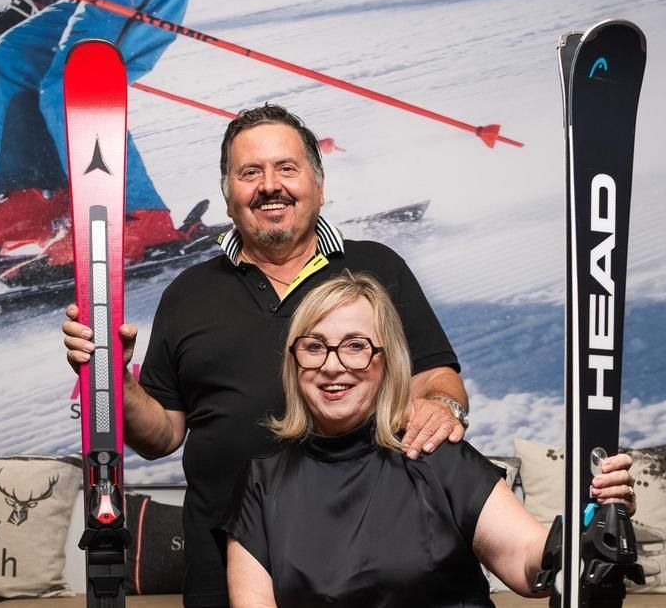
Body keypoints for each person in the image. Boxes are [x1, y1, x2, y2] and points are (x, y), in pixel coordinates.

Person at [62, 104, 472, 606]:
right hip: (220, 561)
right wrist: (116, 378)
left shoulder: (376, 268)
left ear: (318, 187)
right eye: (249, 172)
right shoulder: (189, 292)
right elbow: (161, 436)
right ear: (228, 197)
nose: (269, 185)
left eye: (286, 168)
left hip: (367, 560)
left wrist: (441, 408)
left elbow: (438, 380)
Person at [223, 271, 637, 606]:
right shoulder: (264, 483)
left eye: (356, 346)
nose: (333, 366)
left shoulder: (434, 452)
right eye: (315, 347)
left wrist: (586, 538)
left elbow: (529, 562)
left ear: (386, 362)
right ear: (295, 362)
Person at [0, 0, 198, 285]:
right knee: (14, 55)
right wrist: (27, 5)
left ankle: (132, 218)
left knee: (74, 80)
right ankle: (36, 198)